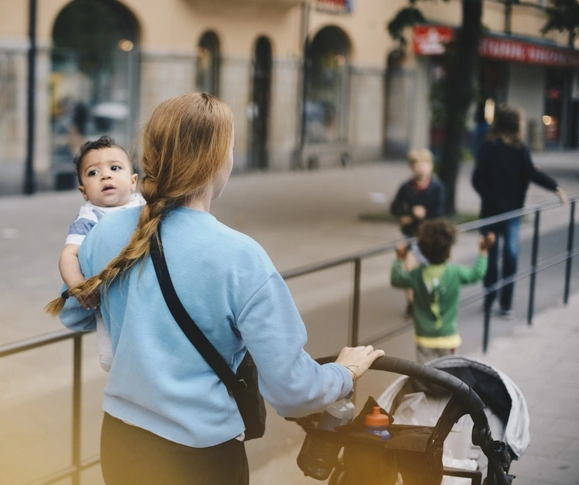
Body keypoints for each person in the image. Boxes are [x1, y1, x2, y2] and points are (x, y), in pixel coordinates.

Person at [49, 93, 385, 485]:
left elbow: (74, 313)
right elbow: (294, 390)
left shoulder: (105, 231)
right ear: (218, 163)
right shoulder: (240, 257)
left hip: (123, 442)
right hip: (200, 457)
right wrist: (343, 373)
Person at [46, 135, 144, 369]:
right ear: (84, 191)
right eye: (93, 173)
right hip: (110, 294)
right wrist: (79, 285)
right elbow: (69, 255)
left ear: (133, 181)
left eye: (115, 168)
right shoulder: (89, 218)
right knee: (113, 351)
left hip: (143, 288)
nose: (105, 175)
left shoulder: (144, 205)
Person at [471, 104, 568, 319]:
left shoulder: (519, 149)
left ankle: (505, 303)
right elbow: (477, 179)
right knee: (491, 258)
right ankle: (489, 299)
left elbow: (532, 173)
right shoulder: (490, 147)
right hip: (491, 213)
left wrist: (556, 187)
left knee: (511, 257)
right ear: (514, 124)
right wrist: (493, 200)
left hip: (512, 214)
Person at [390, 218, 496, 364]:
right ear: (449, 252)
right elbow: (476, 274)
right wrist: (483, 252)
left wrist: (399, 259)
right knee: (449, 377)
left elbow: (396, 279)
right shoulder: (455, 272)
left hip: (424, 338)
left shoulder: (416, 274)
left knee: (426, 376)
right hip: (448, 338)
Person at [389, 148, 446, 316]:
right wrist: (411, 214)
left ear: (431, 166)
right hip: (412, 236)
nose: (421, 168)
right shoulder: (407, 188)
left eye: (425, 164)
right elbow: (395, 208)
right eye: (417, 164)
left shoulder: (437, 187)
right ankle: (411, 303)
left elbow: (439, 214)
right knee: (410, 268)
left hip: (431, 238)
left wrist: (423, 215)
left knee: (431, 271)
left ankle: (430, 301)